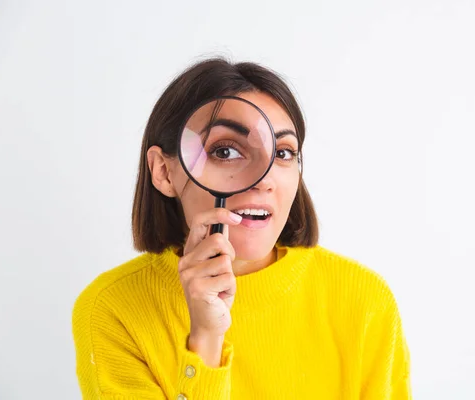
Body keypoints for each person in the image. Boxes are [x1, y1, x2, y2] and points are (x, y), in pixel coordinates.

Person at [72, 58, 412, 399]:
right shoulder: (112, 309)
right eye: (225, 150)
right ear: (164, 171)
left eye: (282, 152)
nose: (263, 180)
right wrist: (206, 339)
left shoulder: (364, 300)